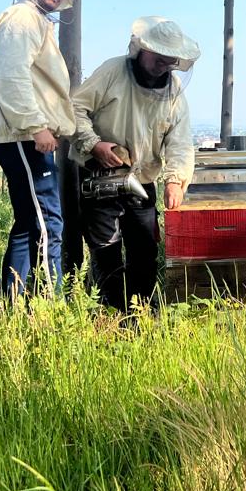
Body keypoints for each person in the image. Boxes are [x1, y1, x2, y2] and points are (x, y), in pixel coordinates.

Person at [0, 0, 93, 300]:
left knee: (29, 223)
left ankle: (12, 305)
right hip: (23, 135)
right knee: (48, 223)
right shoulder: (23, 18)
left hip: (24, 134)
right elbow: (11, 75)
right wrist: (36, 125)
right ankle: (49, 306)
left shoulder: (36, 21)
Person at [71, 16, 199, 311]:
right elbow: (75, 108)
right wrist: (94, 144)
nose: (163, 66)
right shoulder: (113, 71)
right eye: (158, 59)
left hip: (141, 182)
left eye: (169, 61)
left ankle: (141, 312)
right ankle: (112, 314)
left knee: (144, 250)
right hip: (100, 177)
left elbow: (179, 139)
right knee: (107, 250)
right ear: (141, 50)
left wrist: (175, 180)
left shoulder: (173, 90)